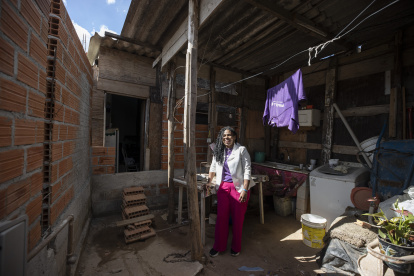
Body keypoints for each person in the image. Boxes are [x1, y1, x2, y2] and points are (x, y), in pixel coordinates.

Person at [207, 126, 255, 257]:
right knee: (221, 218)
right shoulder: (218, 150)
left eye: (229, 135)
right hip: (223, 188)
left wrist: (245, 189)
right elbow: (213, 166)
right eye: (223, 136)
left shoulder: (241, 150)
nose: (226, 138)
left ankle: (236, 246)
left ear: (234, 137)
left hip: (239, 188)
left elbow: (247, 170)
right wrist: (209, 181)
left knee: (237, 219)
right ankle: (218, 246)